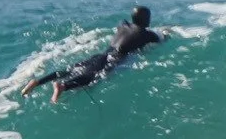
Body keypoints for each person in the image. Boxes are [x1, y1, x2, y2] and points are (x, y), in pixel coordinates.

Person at [22, 6, 166, 101]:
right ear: (145, 20)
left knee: (72, 69)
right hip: (114, 58)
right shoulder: (146, 34)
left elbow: (124, 22)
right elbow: (160, 39)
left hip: (103, 53)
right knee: (93, 76)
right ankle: (63, 86)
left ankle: (37, 82)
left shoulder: (123, 25)